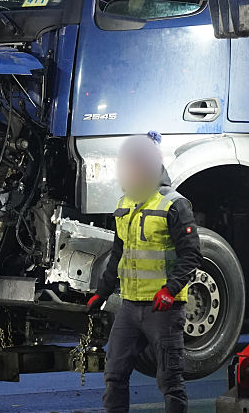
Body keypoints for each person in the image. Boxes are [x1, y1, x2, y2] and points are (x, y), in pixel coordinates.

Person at [88, 131, 202, 413]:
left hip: (163, 310)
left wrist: (170, 290)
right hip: (129, 308)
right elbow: (119, 255)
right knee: (114, 375)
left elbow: (192, 255)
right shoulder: (125, 204)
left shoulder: (174, 204)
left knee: (171, 381)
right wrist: (101, 293)